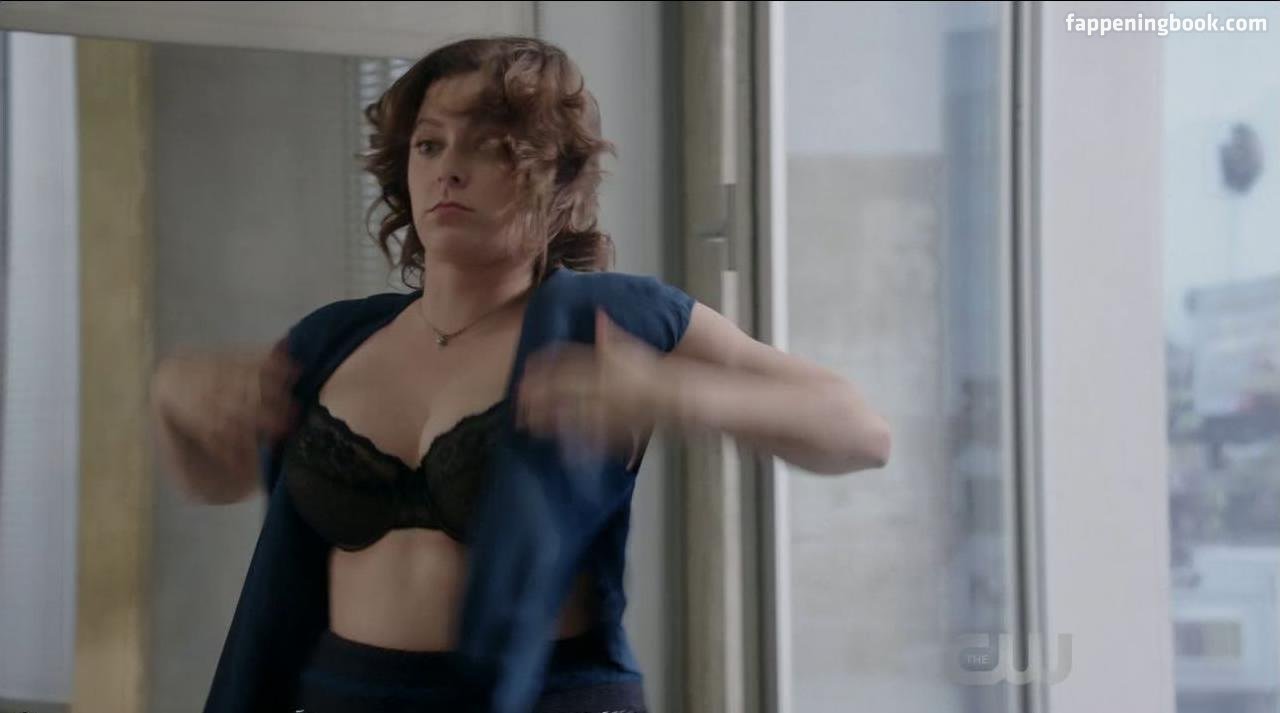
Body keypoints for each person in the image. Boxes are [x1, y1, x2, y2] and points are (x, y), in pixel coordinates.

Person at [149, 36, 891, 713]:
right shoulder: (334, 339)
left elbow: (861, 432)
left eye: (491, 147)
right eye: (429, 144)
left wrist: (670, 392)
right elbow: (219, 481)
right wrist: (172, 401)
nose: (449, 169)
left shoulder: (609, 319)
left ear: (557, 174)